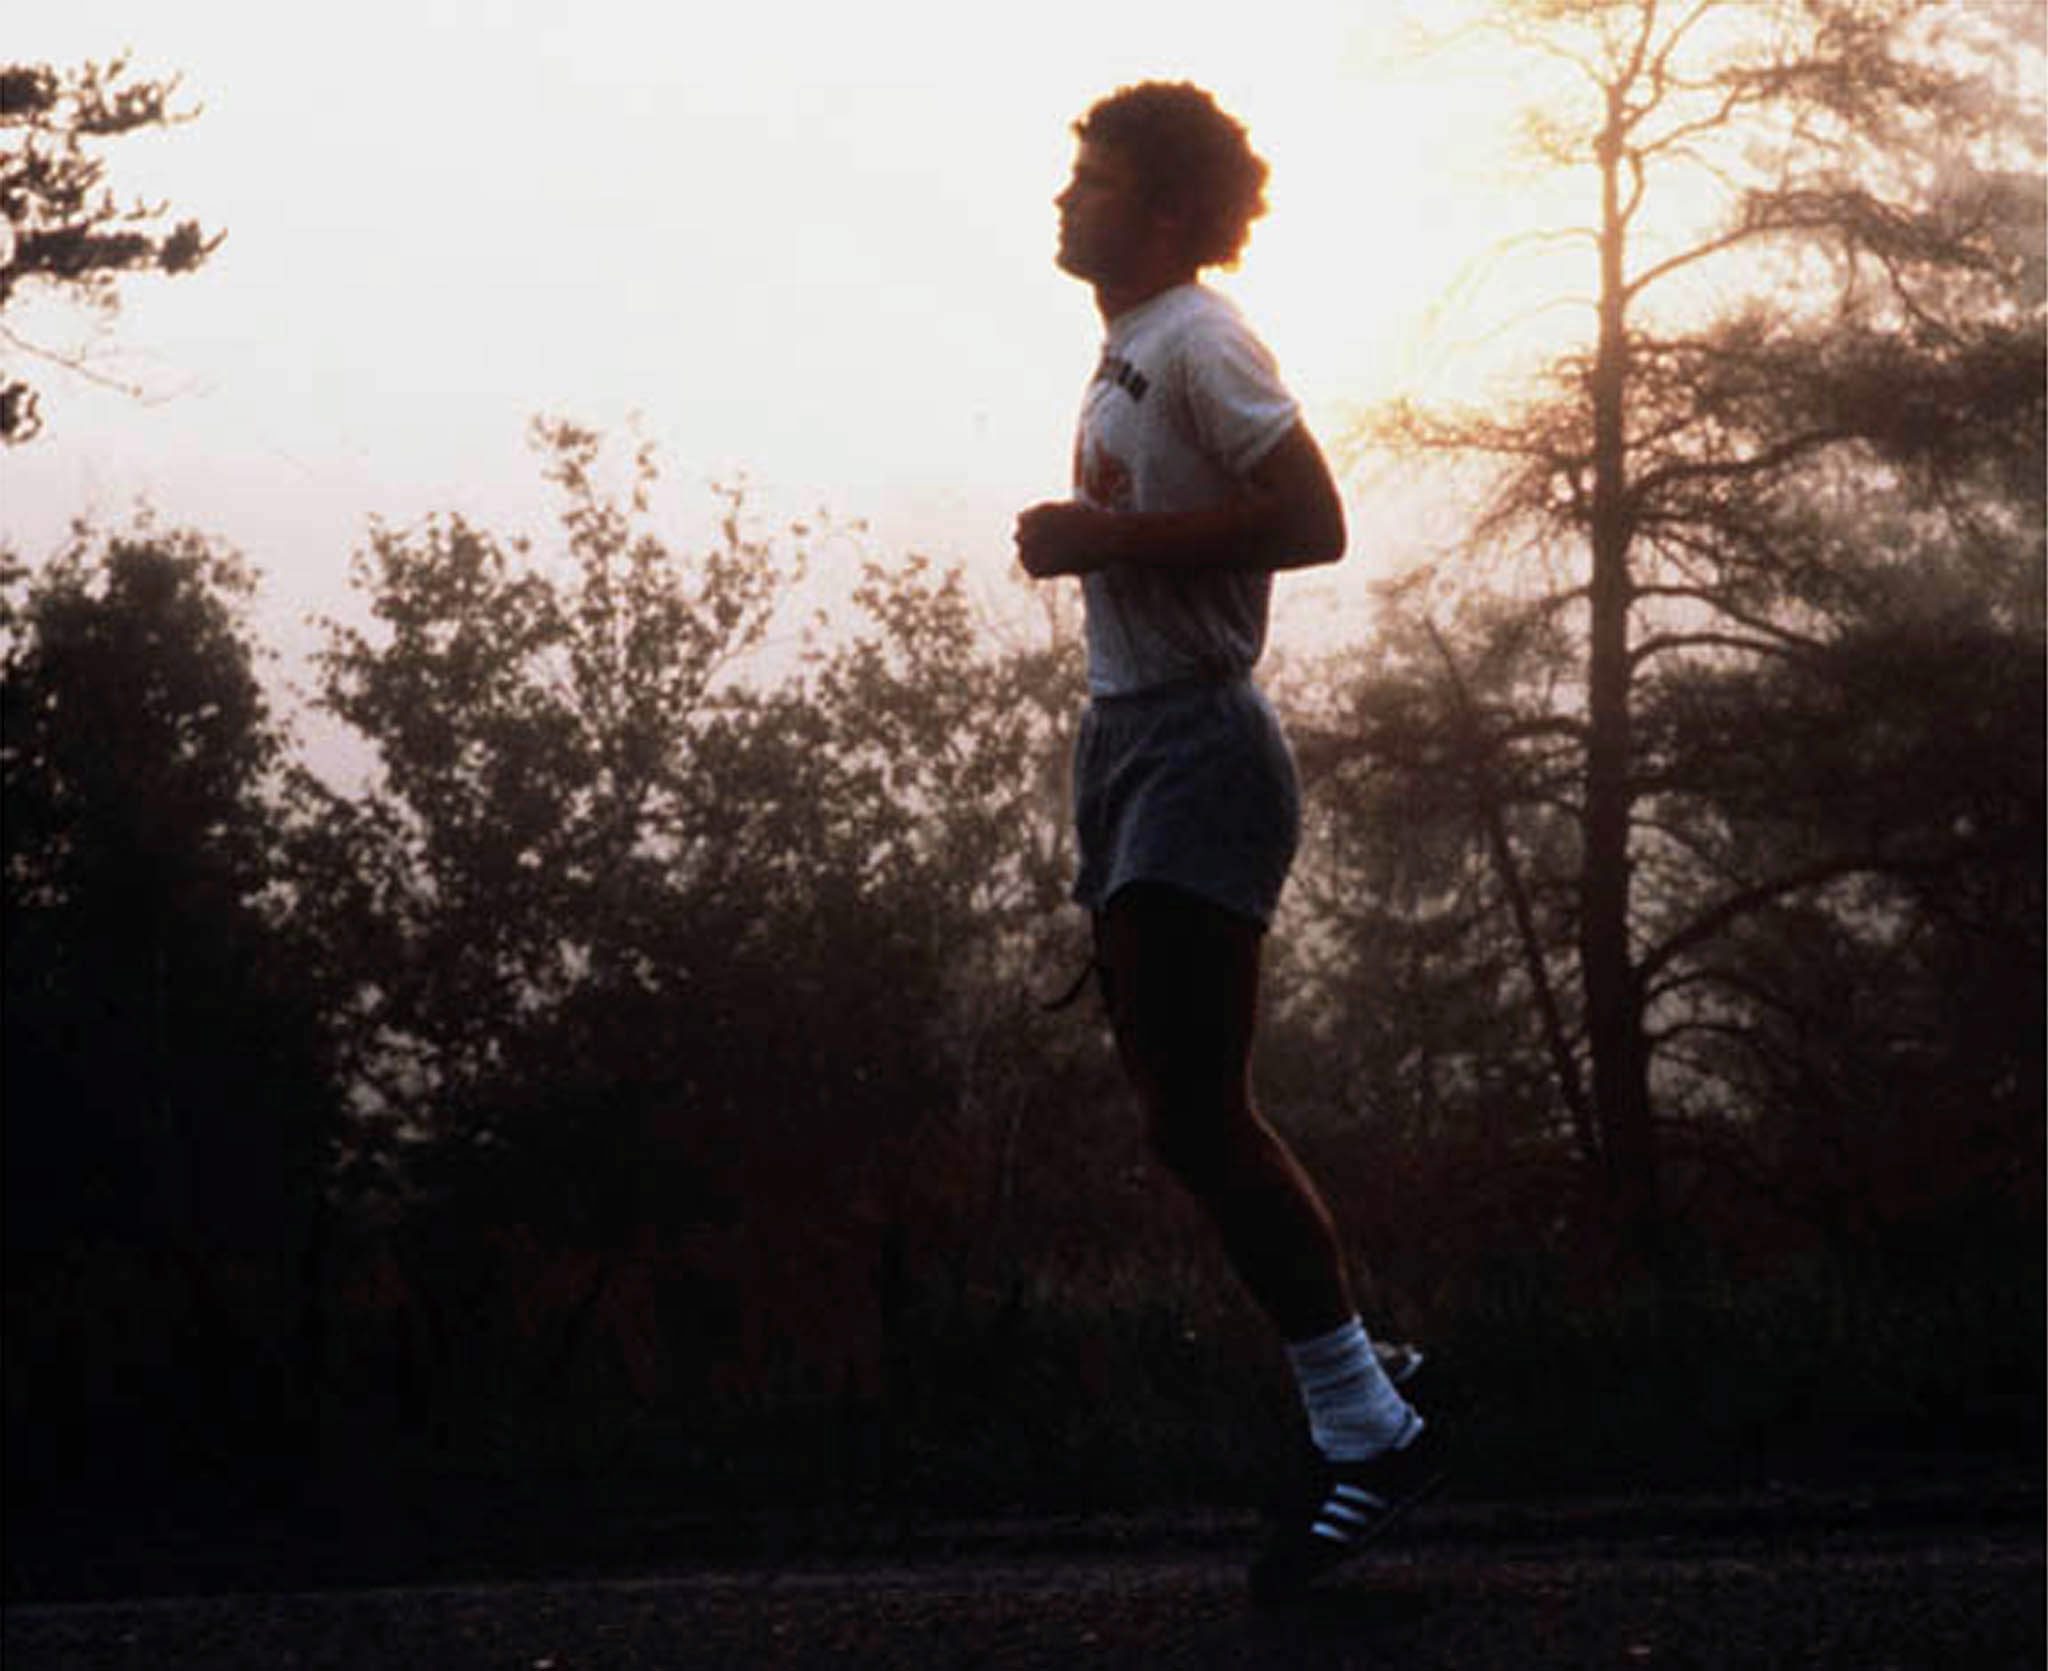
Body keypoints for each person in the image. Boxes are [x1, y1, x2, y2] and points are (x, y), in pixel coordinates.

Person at [1014, 81, 1446, 1603]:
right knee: (1178, 1109)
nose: (1065, 199)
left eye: (1097, 180)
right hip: (1136, 736)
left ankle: (1367, 1419)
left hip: (1200, 742)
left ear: (1172, 216)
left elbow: (1314, 519)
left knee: (1201, 1115)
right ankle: (1362, 1384)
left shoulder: (1199, 338)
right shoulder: (1132, 344)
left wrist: (1100, 542)